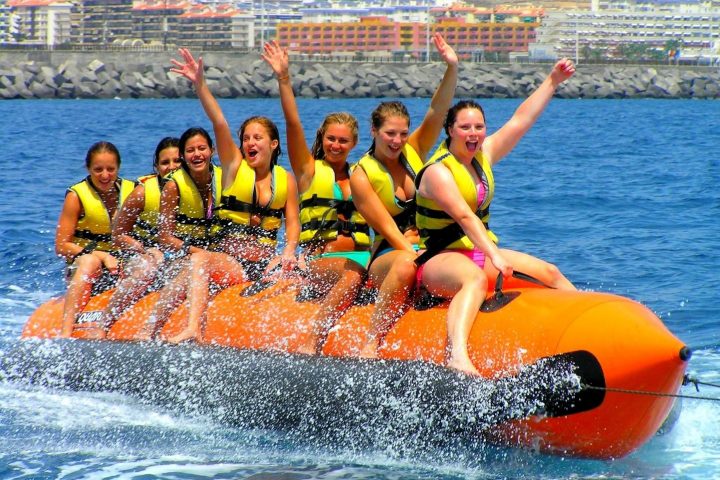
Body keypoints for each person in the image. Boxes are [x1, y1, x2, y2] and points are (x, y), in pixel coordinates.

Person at [414, 58, 577, 375]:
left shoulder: (483, 156)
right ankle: (457, 356)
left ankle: (591, 325)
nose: (473, 133)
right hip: (438, 258)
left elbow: (520, 121)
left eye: (479, 127)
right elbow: (464, 216)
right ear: (450, 130)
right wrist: (494, 256)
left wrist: (552, 81)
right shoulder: (437, 171)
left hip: (476, 252)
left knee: (550, 272)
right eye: (464, 127)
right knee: (473, 280)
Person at [150, 48, 299, 344]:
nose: (250, 143)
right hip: (231, 263)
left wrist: (288, 253)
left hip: (267, 262)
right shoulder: (234, 167)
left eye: (257, 138)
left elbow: (292, 225)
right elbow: (219, 121)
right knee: (199, 261)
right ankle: (193, 327)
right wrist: (200, 85)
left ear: (273, 144)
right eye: (246, 138)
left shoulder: (287, 180)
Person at [350, 33, 458, 358]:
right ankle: (370, 342)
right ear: (374, 131)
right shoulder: (362, 175)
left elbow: (438, 111)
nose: (396, 141)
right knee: (407, 265)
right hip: (390, 254)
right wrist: (423, 256)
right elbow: (389, 230)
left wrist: (452, 67)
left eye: (402, 133)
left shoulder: (413, 151)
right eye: (389, 134)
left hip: (427, 245)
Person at [263, 41, 370, 355]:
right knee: (353, 274)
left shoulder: (361, 175)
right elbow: (293, 124)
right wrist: (284, 79)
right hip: (321, 262)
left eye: (343, 141)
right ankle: (312, 341)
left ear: (353, 144)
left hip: (364, 257)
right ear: (323, 138)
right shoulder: (308, 171)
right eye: (331, 139)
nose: (336, 145)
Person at [95, 137, 182, 337]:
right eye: (165, 162)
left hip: (174, 258)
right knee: (148, 266)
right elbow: (118, 236)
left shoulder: (197, 190)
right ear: (156, 166)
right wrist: (144, 250)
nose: (171, 167)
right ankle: (103, 324)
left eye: (177, 161)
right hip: (140, 256)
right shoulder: (143, 193)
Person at [55, 141, 136, 338]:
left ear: (119, 168)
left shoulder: (133, 191)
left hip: (121, 264)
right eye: (98, 169)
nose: (105, 175)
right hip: (85, 265)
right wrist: (101, 255)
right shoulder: (76, 196)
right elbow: (61, 246)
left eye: (111, 169)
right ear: (88, 168)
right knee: (90, 261)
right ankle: (66, 334)